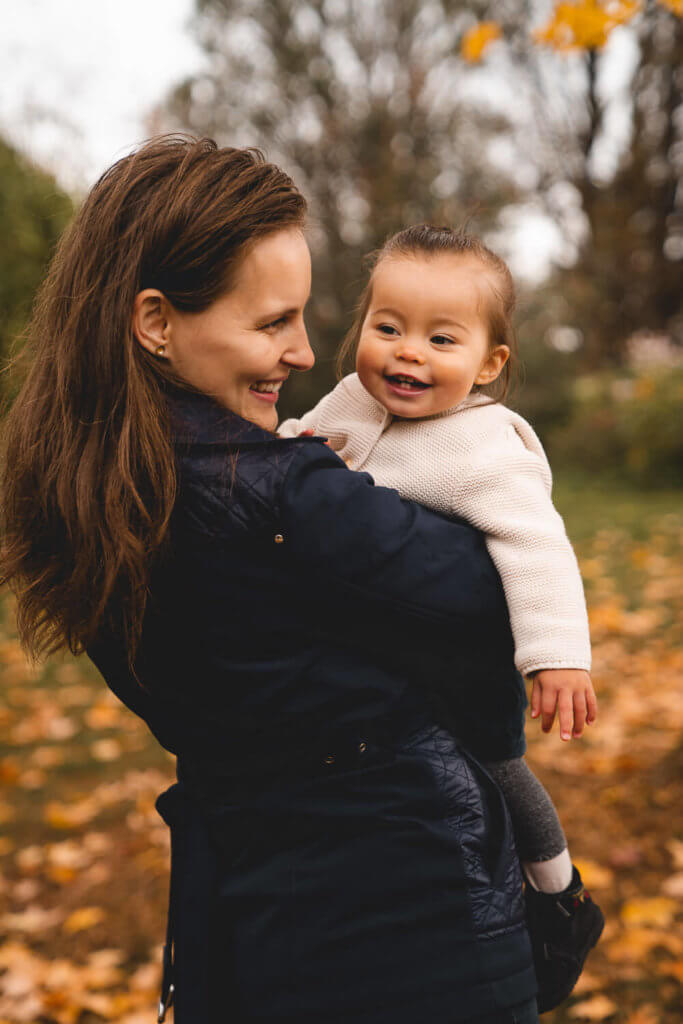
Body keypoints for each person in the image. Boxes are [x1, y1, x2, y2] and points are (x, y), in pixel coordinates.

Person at [0, 136, 540, 1023]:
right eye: (270, 323)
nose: (300, 352)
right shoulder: (283, 491)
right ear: (156, 322)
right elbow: (493, 597)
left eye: (302, 317)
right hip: (407, 921)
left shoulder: (88, 487)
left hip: (239, 918)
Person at [279, 224, 605, 1009]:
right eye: (386, 327)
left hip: (461, 665)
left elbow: (536, 545)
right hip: (379, 667)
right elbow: (304, 445)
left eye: (440, 338)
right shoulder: (353, 400)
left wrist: (557, 653)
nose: (406, 353)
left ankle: (554, 890)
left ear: (489, 363)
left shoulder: (484, 447)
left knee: (495, 762)